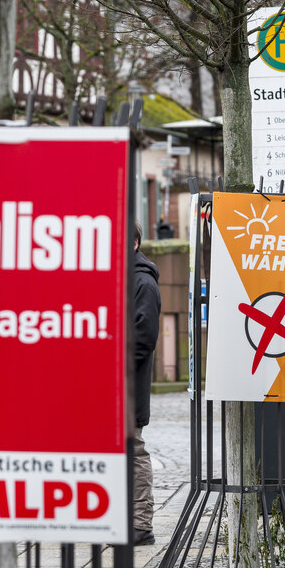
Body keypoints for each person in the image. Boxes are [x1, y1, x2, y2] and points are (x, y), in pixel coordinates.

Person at [132, 222, 160, 546]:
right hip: (113, 389)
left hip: (127, 388)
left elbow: (144, 337)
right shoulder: (121, 278)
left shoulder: (142, 282)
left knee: (133, 451)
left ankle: (140, 524)